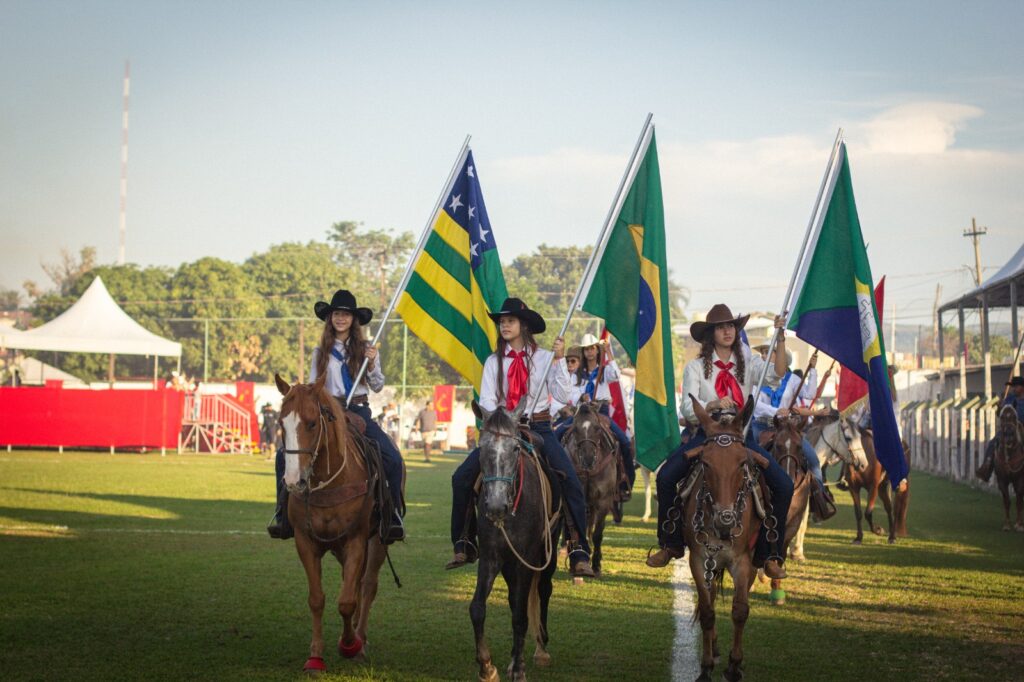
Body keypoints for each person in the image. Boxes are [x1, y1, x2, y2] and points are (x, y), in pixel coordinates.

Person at [445, 297, 596, 578]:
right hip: (502, 430)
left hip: (538, 428)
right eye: (501, 321)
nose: (504, 325)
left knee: (570, 481)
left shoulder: (544, 358)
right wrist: (504, 420)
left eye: (510, 321)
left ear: (523, 325)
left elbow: (564, 396)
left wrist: (561, 360)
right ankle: (464, 541)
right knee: (462, 477)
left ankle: (579, 549)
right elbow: (488, 400)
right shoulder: (493, 362)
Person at [646, 304, 794, 580]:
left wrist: (781, 336)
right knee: (666, 477)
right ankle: (670, 544)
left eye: (732, 327)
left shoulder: (749, 361)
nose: (728, 331)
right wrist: (711, 403)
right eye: (721, 327)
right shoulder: (694, 368)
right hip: (707, 438)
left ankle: (770, 554)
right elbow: (687, 411)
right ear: (710, 334)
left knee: (784, 485)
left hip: (742, 438)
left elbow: (779, 373)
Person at [267, 289, 405, 543]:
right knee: (281, 456)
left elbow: (377, 386)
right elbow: (311, 386)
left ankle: (392, 515)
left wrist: (372, 365)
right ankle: (282, 514)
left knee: (392, 458)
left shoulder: (366, 349)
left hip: (358, 410)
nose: (341, 319)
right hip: (328, 411)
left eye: (346, 315)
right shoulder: (320, 352)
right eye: (336, 314)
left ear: (354, 320)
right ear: (330, 318)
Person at [557, 334, 636, 498]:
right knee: (557, 435)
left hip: (601, 413)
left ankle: (625, 482)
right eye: (586, 349)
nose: (589, 352)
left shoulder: (605, 370)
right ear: (583, 352)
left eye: (592, 348)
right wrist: (581, 397)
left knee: (625, 442)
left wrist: (609, 352)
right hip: (581, 413)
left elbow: (615, 375)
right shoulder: (577, 374)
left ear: (597, 350)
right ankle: (557, 479)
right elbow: (570, 394)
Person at [976, 376, 1024, 481]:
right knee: (993, 442)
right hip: (1008, 428)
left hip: (1022, 428)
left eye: (1016, 386)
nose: (1013, 389)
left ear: (1022, 387)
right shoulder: (1009, 398)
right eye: (1012, 387)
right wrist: (999, 407)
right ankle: (986, 467)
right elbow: (999, 414)